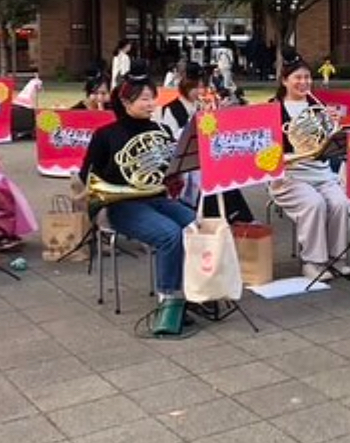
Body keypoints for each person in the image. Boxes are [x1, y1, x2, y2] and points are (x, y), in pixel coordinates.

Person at [81, 64, 193, 311]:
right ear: (125, 101)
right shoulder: (105, 135)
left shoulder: (160, 129)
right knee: (169, 234)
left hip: (156, 198)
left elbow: (167, 169)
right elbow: (86, 176)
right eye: (144, 99)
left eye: (153, 97)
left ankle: (195, 287)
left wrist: (175, 171)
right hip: (119, 204)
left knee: (196, 225)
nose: (151, 103)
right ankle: (169, 298)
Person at [268, 49, 350, 282]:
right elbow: (267, 151)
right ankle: (313, 262)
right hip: (289, 176)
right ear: (285, 81)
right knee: (314, 204)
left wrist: (335, 127)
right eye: (298, 78)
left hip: (321, 172)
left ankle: (338, 256)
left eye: (307, 77)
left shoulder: (319, 105)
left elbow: (329, 143)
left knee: (341, 202)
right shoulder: (273, 109)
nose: (304, 82)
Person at [160, 63, 254, 223]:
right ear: (185, 87)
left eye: (203, 87)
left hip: (203, 158)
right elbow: (171, 139)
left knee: (225, 173)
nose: (201, 92)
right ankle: (217, 215)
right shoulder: (171, 109)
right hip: (185, 163)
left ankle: (235, 216)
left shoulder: (200, 106)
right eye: (197, 87)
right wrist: (195, 122)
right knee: (212, 176)